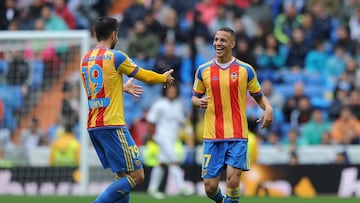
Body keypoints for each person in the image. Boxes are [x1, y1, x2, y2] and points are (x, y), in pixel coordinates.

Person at [79, 16, 175, 203]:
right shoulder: (116, 57)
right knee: (137, 175)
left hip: (93, 124)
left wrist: (121, 87)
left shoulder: (85, 59)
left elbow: (96, 90)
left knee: (123, 175)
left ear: (94, 34)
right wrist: (163, 78)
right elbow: (144, 75)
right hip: (112, 124)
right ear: (114, 35)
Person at [191, 27, 273, 203]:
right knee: (210, 187)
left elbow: (258, 95)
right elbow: (194, 98)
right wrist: (198, 102)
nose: (218, 43)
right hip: (212, 135)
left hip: (237, 134)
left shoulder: (245, 70)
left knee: (233, 181)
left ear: (232, 44)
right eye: (216, 39)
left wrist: (268, 108)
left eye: (223, 40)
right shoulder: (203, 70)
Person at [146, 83, 193, 199]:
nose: (172, 93)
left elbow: (181, 120)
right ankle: (182, 187)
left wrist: (188, 130)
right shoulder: (160, 104)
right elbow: (151, 120)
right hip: (162, 137)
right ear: (166, 92)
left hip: (172, 138)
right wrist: (152, 136)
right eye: (170, 91)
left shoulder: (178, 105)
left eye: (174, 91)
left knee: (161, 163)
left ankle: (152, 189)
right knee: (174, 161)